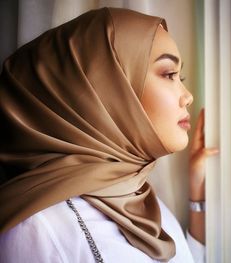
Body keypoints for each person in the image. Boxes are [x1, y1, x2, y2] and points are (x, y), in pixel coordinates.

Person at [0, 7, 218, 263]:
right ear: (106, 93)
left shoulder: (142, 200)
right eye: (169, 74)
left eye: (179, 76)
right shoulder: (38, 229)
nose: (188, 96)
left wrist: (197, 194)